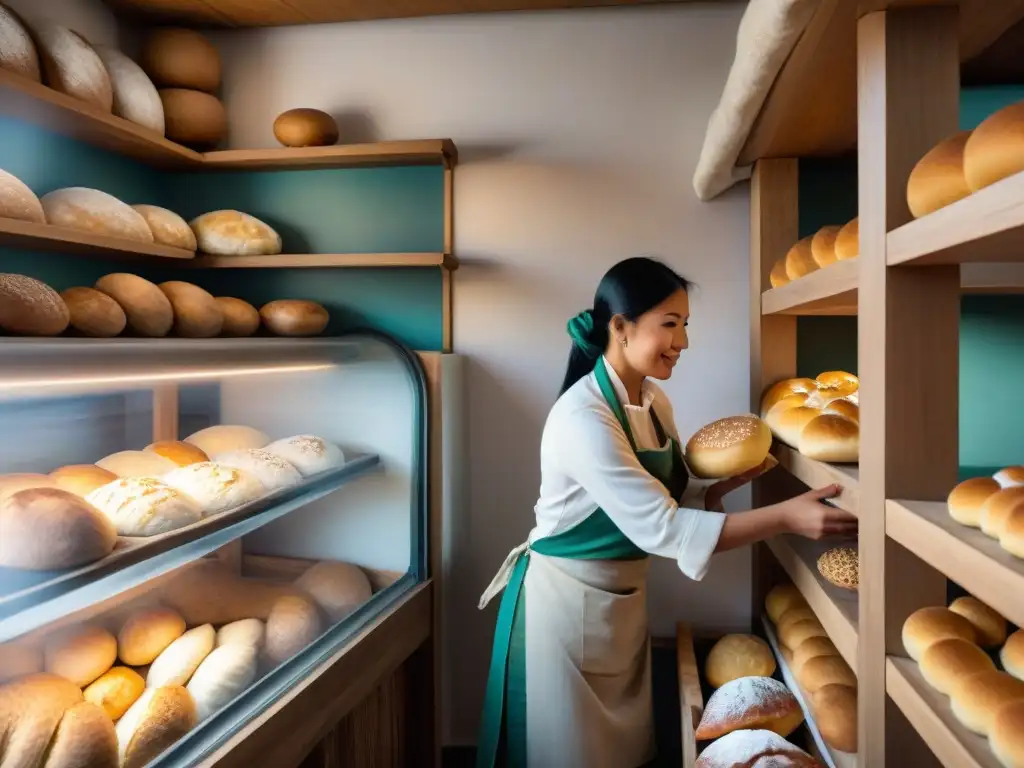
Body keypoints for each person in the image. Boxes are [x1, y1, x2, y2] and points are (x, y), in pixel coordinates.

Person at [475, 257, 857, 768]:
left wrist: (717, 489)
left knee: (624, 752)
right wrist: (785, 517)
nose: (683, 342)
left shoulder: (654, 401)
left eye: (686, 325)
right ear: (620, 328)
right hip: (563, 611)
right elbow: (661, 527)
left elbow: (667, 500)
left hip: (619, 605)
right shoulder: (583, 418)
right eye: (670, 325)